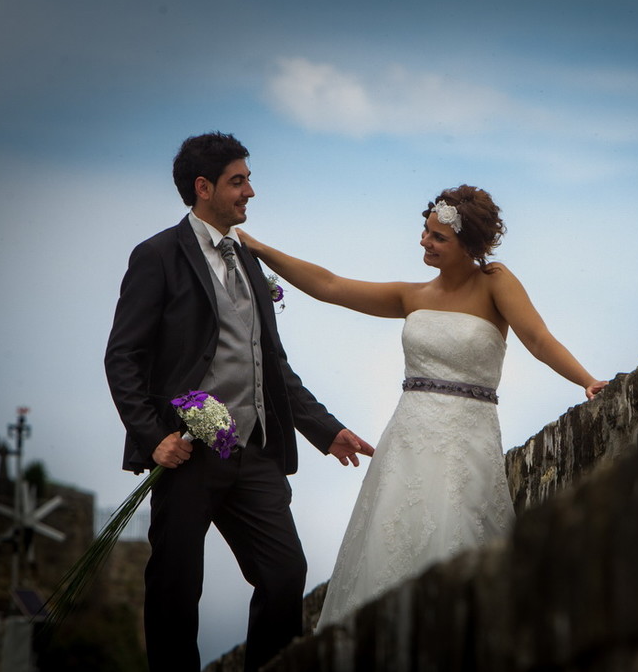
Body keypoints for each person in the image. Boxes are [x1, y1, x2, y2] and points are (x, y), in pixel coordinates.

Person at [237, 184, 608, 628]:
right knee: (390, 548)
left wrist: (586, 380)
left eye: (438, 237)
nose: (424, 242)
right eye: (424, 231)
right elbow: (330, 286)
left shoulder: (496, 283)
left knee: (458, 540)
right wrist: (257, 248)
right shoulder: (411, 296)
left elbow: (538, 338)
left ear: (468, 245)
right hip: (407, 441)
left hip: (468, 439)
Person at [104, 132, 373, 672]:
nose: (250, 190)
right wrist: (154, 438)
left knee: (285, 574)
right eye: (238, 180)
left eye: (247, 178)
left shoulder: (248, 261)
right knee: (176, 588)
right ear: (204, 189)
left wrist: (326, 431)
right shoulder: (157, 256)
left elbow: (270, 364)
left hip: (254, 448)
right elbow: (123, 358)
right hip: (188, 450)